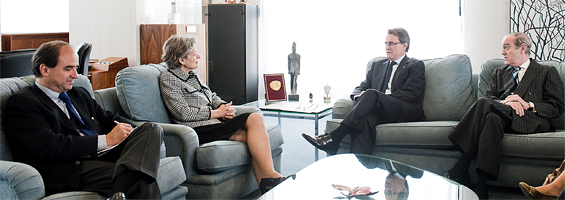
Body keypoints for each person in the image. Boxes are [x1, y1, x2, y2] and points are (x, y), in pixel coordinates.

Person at [4, 41, 164, 200]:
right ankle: (123, 186)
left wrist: (131, 134)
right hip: (72, 167)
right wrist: (106, 140)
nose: (75, 75)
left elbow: (108, 118)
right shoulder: (23, 103)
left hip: (103, 154)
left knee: (151, 129)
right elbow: (49, 146)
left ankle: (119, 189)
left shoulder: (78, 94)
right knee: (143, 179)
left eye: (76, 68)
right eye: (68, 69)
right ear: (45, 69)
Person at [158, 35, 290, 194]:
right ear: (181, 60)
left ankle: (266, 185)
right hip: (196, 130)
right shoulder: (169, 78)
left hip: (212, 124)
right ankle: (270, 176)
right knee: (254, 120)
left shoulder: (193, 75)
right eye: (194, 54)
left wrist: (223, 106)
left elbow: (211, 96)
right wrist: (216, 113)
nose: (198, 56)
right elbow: (182, 113)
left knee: (252, 131)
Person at [443, 32, 564, 199]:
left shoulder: (546, 71)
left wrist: (526, 104)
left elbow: (557, 107)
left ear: (522, 48)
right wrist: (507, 102)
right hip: (504, 116)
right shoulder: (499, 72)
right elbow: (491, 97)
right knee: (491, 118)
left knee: (484, 104)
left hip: (531, 120)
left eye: (506, 47)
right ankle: (481, 187)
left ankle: (461, 165)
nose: (502, 53)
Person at [302, 28, 425, 155]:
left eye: (392, 43)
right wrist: (360, 98)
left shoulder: (415, 65)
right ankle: (361, 166)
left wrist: (377, 99)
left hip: (405, 109)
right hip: (381, 111)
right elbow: (360, 88)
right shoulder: (378, 65)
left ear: (405, 45)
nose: (387, 47)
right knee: (365, 121)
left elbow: (410, 93)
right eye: (386, 43)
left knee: (371, 94)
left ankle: (334, 137)